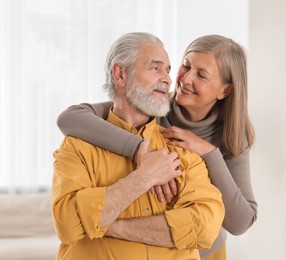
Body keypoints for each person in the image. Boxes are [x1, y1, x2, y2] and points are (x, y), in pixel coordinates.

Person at [57, 34, 257, 260]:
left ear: (224, 91)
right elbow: (71, 118)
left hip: (205, 249)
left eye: (201, 75)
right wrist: (144, 152)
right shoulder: (150, 104)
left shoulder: (232, 136)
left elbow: (239, 222)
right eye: (185, 66)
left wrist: (210, 154)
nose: (183, 79)